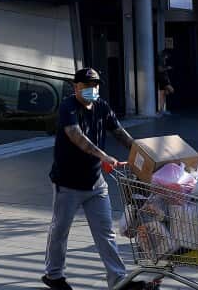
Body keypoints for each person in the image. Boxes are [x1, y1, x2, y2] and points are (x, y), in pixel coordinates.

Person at [42, 68, 134, 290]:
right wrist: (104, 156)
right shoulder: (68, 107)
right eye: (87, 86)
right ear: (76, 88)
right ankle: (54, 276)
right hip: (68, 183)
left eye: (95, 85)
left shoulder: (101, 105)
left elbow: (119, 132)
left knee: (105, 232)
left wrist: (142, 152)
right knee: (60, 230)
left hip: (96, 183)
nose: (92, 89)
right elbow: (75, 135)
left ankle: (118, 279)